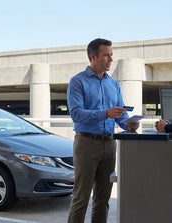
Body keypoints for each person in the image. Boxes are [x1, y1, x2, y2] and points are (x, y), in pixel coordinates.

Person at [67, 38, 139, 223]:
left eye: (111, 55)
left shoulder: (113, 84)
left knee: (103, 199)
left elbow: (120, 116)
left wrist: (128, 124)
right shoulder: (77, 82)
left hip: (110, 144)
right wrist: (105, 113)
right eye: (106, 55)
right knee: (81, 198)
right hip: (86, 145)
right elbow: (76, 114)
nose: (110, 59)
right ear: (93, 56)